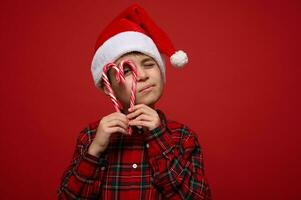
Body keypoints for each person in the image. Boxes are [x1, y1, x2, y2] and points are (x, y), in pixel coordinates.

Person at [57, 3, 212, 199]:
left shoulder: (183, 138)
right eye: (127, 71)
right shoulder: (90, 137)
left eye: (149, 64)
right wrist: (94, 151)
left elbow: (198, 196)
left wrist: (158, 138)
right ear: (109, 86)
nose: (142, 76)